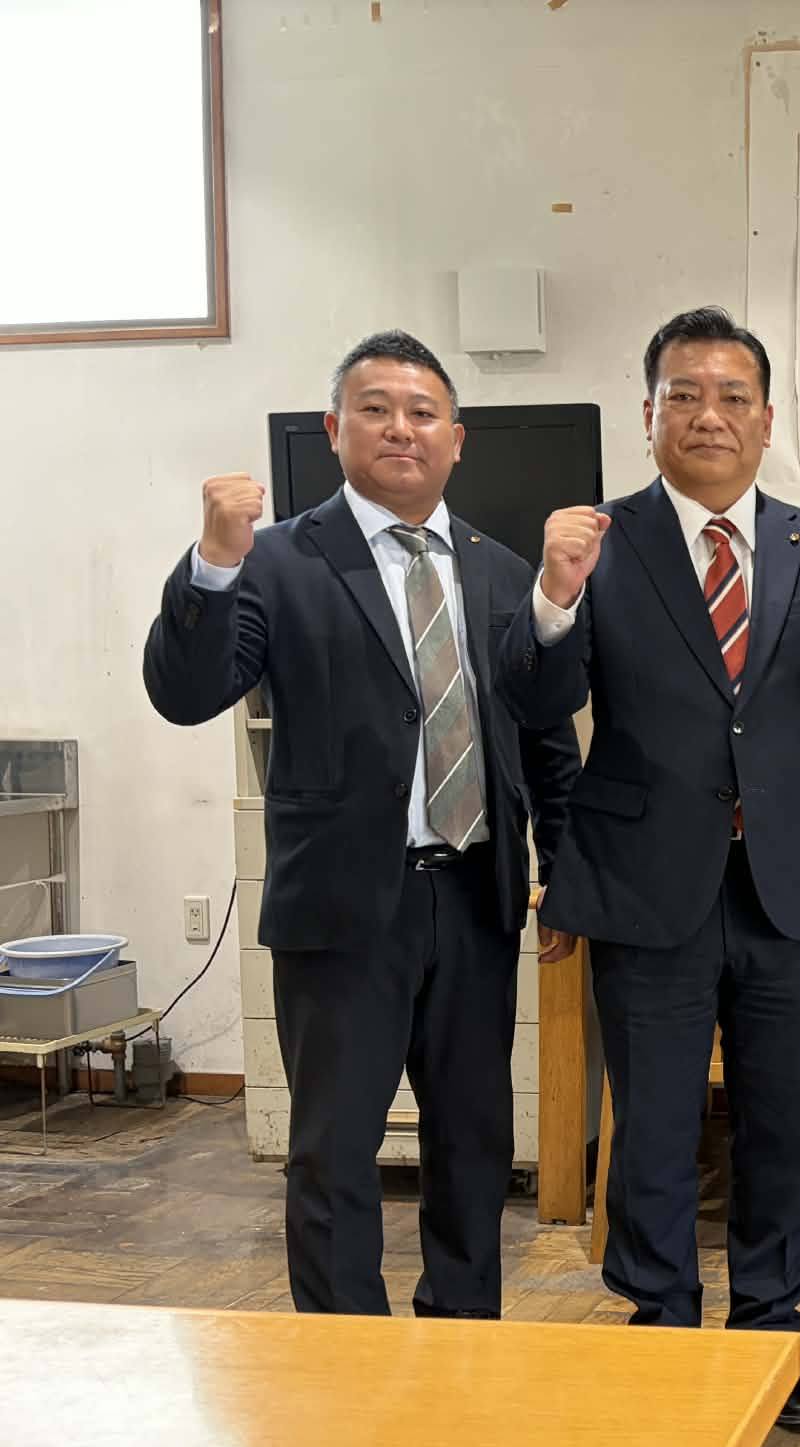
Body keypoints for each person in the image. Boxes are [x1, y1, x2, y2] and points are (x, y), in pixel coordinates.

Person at [497, 307, 800, 1433]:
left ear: (767, 419)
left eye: (731, 396)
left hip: (792, 883)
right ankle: (660, 1321)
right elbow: (537, 705)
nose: (708, 415)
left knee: (782, 1122)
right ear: (649, 413)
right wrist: (554, 595)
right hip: (642, 880)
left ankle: (770, 1330)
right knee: (655, 1123)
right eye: (684, 394)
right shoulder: (597, 541)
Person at [143, 330, 580, 1318]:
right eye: (375, 410)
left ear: (457, 439)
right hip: (340, 909)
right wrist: (211, 565)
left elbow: (543, 732)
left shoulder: (501, 570)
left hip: (475, 899)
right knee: (334, 1151)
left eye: (423, 413)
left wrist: (564, 867)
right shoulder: (276, 562)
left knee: (473, 1143)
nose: (400, 428)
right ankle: (342, 1359)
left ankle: (461, 1335)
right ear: (335, 430)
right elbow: (186, 693)